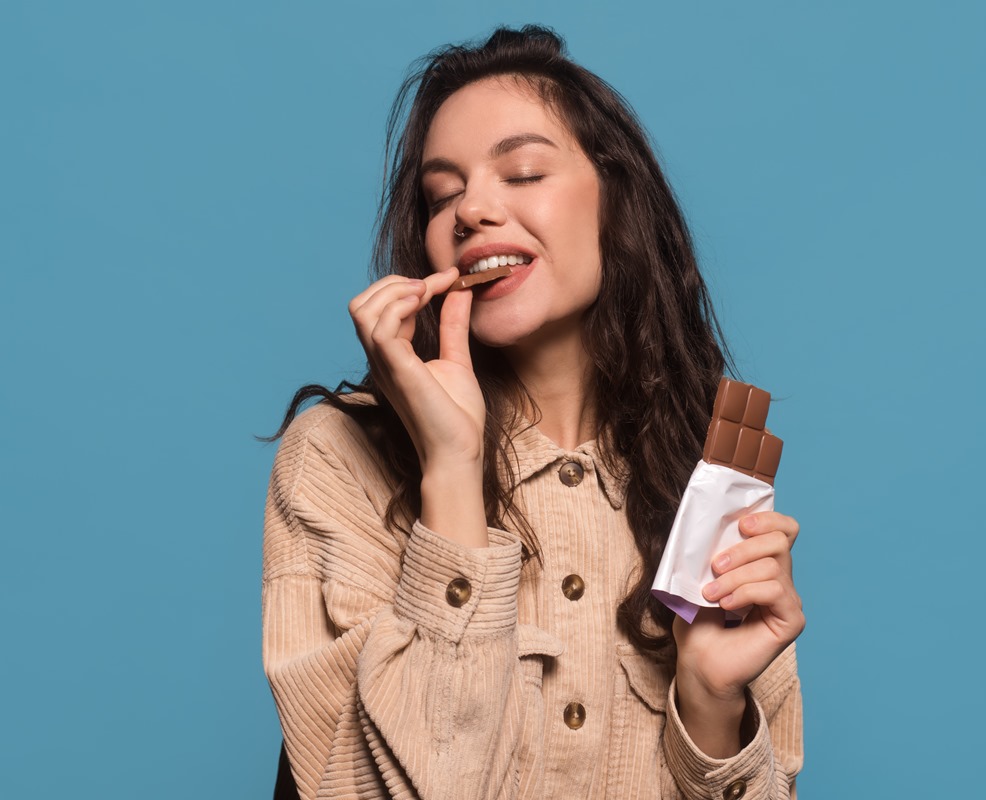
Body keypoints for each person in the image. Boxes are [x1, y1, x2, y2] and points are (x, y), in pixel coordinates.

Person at [261, 25, 804, 800]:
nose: (471, 209)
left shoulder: (710, 481)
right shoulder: (336, 456)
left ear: (617, 201)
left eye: (520, 172)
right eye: (441, 193)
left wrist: (711, 705)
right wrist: (449, 468)